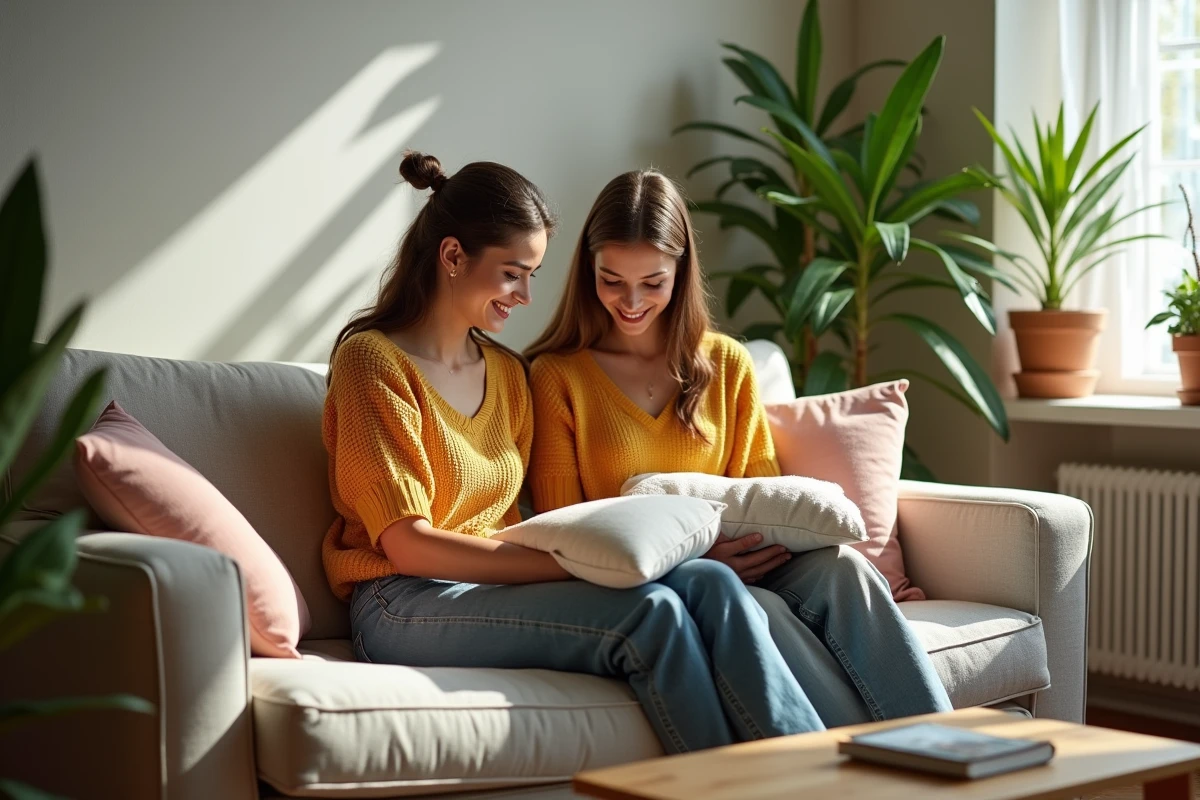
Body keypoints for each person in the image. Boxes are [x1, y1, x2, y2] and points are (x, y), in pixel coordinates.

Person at [321, 151, 831, 754]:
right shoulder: (374, 362)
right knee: (653, 614)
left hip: (492, 587)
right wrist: (583, 564)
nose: (525, 294)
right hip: (401, 598)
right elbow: (408, 544)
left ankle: (812, 772)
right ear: (453, 256)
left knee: (712, 584)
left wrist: (616, 559)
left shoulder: (508, 373)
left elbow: (519, 521)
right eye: (513, 273)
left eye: (532, 275)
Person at [524, 168, 953, 726]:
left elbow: (761, 491)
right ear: (589, 271)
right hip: (651, 577)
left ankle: (947, 742)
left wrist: (749, 550)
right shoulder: (558, 376)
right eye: (612, 280)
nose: (630, 301)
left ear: (681, 271)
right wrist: (697, 556)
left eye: (652, 282)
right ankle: (844, 759)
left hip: (750, 557)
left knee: (845, 569)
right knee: (751, 601)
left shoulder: (727, 364)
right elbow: (564, 530)